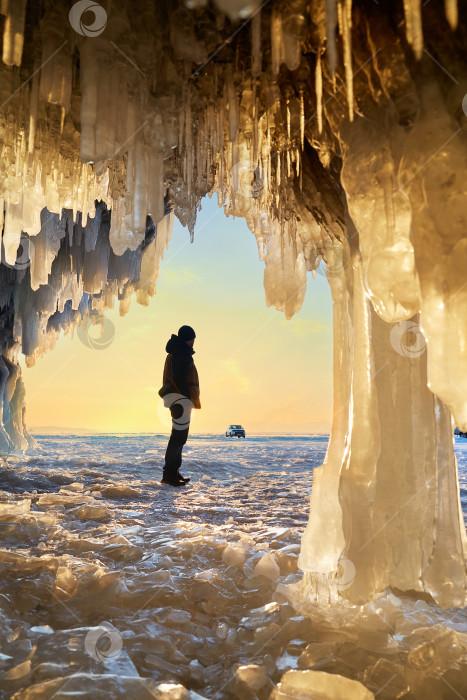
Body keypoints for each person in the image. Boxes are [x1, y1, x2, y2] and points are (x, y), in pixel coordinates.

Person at [161, 325, 201, 486]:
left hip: (178, 400)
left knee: (179, 438)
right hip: (180, 401)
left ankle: (173, 473)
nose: (193, 342)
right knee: (177, 438)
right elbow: (179, 378)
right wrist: (186, 398)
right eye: (192, 339)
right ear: (187, 339)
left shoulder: (178, 352)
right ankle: (169, 475)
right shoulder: (180, 353)